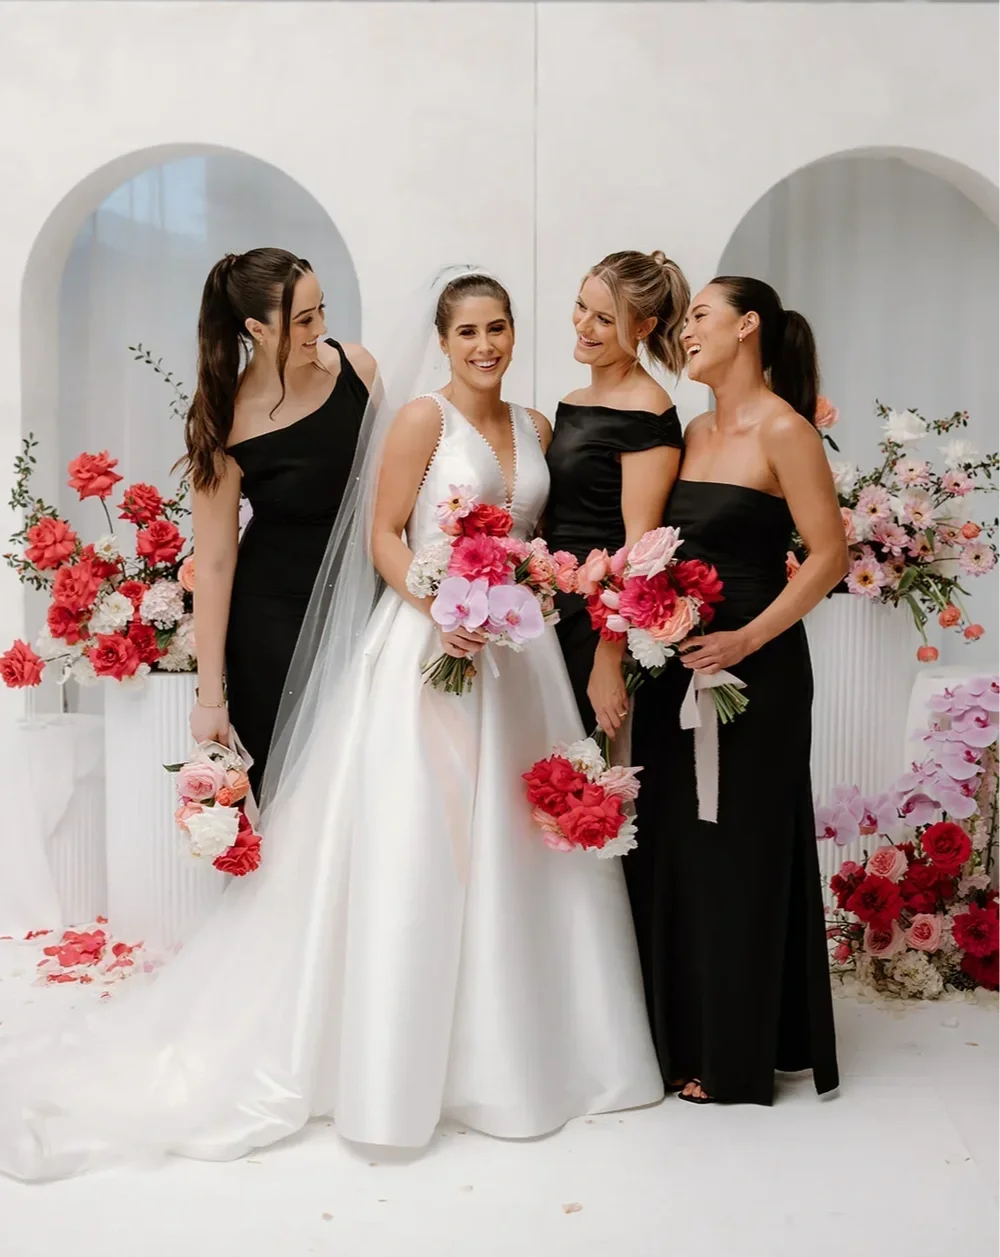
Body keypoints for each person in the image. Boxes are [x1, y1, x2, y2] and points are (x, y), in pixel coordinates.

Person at [0, 269, 661, 1182]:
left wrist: (537, 585)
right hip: (428, 646)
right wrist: (435, 597)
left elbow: (536, 537)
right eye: (467, 330)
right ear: (442, 337)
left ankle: (527, 1048)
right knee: (420, 836)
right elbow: (382, 533)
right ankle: (397, 1059)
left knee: (514, 839)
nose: (485, 345)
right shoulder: (421, 420)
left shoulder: (536, 427)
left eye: (499, 327)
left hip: (520, 659)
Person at [627, 276, 846, 1106]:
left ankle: (737, 1056)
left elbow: (828, 554)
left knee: (741, 854)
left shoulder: (784, 429)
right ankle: (684, 1040)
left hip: (756, 672)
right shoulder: (692, 428)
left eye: (700, 317)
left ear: (748, 326)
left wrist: (747, 640)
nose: (686, 333)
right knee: (682, 853)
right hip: (678, 666)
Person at [185, 248, 375, 798]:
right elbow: (216, 562)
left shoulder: (359, 370)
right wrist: (209, 700)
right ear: (257, 330)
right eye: (303, 320)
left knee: (366, 789)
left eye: (321, 311)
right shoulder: (225, 418)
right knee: (291, 794)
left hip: (365, 604)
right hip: (273, 626)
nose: (320, 329)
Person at [545, 251, 687, 747]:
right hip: (554, 607)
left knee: (590, 768)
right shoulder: (573, 402)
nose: (583, 324)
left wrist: (609, 656)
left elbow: (642, 546)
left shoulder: (647, 411)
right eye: (581, 306)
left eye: (604, 319)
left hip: (599, 619)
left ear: (645, 325)